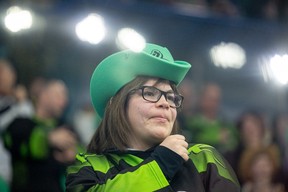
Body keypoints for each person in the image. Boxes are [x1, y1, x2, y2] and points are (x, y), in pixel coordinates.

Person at [65, 43, 240, 191]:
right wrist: (161, 164)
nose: (165, 103)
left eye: (171, 97)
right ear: (117, 103)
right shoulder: (88, 166)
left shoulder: (203, 158)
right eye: (149, 92)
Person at [2, 79, 78, 192]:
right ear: (43, 95)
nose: (64, 100)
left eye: (65, 96)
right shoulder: (21, 124)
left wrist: (73, 157)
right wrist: (49, 139)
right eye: (58, 94)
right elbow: (10, 141)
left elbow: (83, 154)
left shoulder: (65, 128)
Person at [185, 82, 238, 154]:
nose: (214, 102)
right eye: (210, 98)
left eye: (217, 99)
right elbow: (193, 141)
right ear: (202, 99)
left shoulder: (225, 123)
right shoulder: (191, 122)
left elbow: (233, 144)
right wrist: (216, 138)